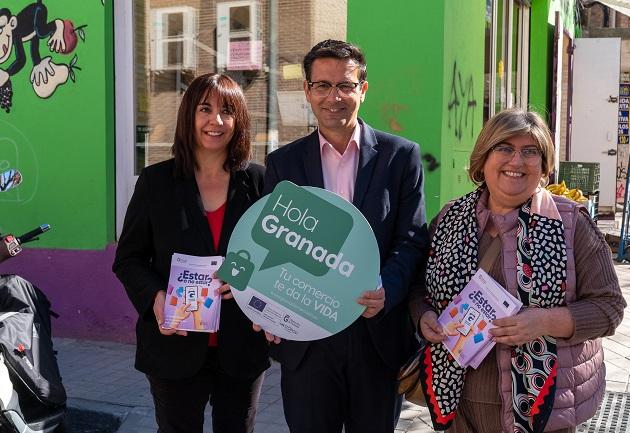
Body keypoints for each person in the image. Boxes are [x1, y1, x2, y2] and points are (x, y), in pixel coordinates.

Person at [410, 108, 626, 433]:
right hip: (460, 404)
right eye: (505, 148)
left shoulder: (570, 223)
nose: (517, 161)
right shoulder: (449, 219)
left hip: (542, 410)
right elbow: (420, 290)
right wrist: (424, 316)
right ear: (483, 159)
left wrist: (546, 321)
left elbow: (609, 308)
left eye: (530, 151)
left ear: (543, 166)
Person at [261, 39, 428, 433]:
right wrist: (266, 300)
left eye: (345, 85)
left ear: (363, 90)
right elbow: (272, 244)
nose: (333, 96)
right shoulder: (283, 164)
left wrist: (386, 288)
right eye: (322, 85)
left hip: (375, 338)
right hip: (307, 342)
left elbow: (412, 238)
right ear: (307, 91)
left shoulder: (400, 157)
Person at [113, 73, 269, 433]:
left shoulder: (260, 182)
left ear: (239, 120)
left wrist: (256, 283)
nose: (216, 121)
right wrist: (155, 298)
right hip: (174, 345)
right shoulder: (155, 182)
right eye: (205, 109)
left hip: (242, 343)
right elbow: (129, 258)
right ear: (189, 116)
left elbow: (275, 256)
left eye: (227, 111)